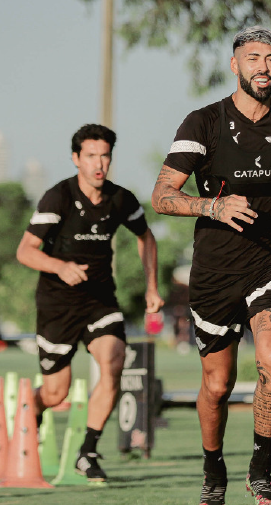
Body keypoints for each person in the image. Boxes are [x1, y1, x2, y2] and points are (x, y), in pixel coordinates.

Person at [150, 26, 271, 505]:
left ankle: (262, 468)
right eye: (253, 58)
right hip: (215, 270)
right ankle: (213, 475)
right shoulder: (203, 123)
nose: (264, 68)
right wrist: (212, 204)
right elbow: (161, 194)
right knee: (218, 384)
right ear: (234, 65)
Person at [16, 123, 163, 483]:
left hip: (99, 300)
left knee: (113, 361)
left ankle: (88, 451)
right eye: (91, 156)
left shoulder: (121, 199)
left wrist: (151, 288)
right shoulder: (58, 197)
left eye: (105, 155)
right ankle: (30, 411)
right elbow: (25, 251)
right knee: (55, 392)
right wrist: (59, 266)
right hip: (57, 305)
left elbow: (146, 237)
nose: (99, 163)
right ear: (76, 159)